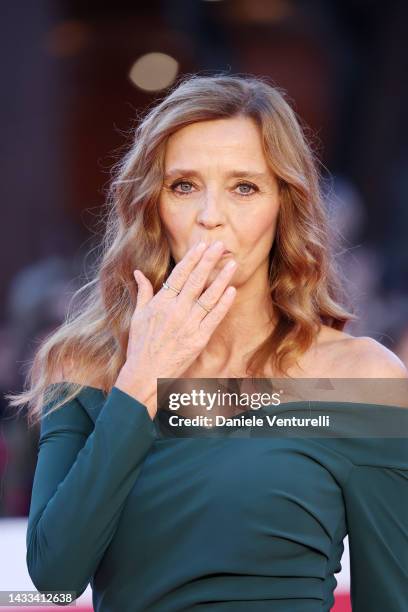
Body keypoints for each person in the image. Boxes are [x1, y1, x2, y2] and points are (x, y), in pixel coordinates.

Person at [7, 74, 408, 611]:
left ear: (283, 205)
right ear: (152, 206)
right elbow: (54, 578)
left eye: (244, 187)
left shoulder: (362, 379)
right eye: (184, 186)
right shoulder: (86, 364)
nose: (209, 216)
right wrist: (142, 378)